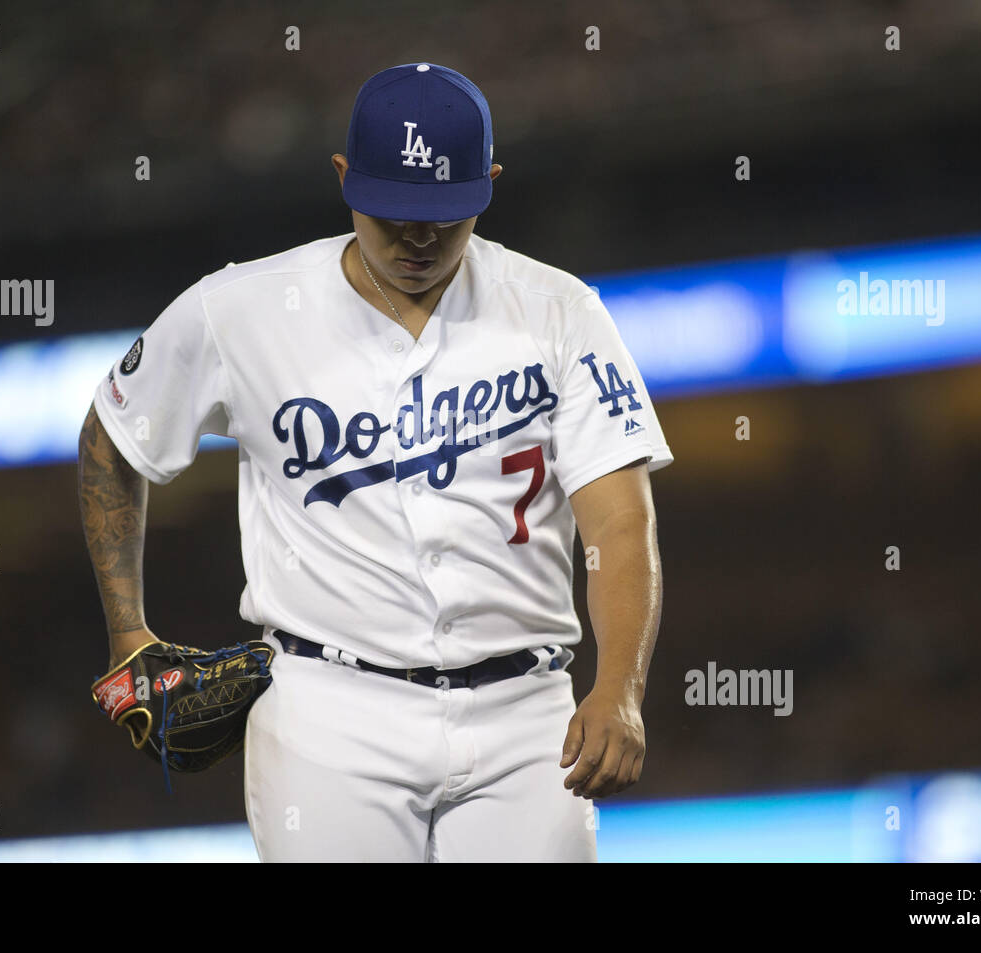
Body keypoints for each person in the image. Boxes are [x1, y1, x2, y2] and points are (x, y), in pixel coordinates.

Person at [78, 62, 673, 862]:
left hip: (527, 716)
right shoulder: (241, 310)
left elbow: (620, 517)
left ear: (489, 182)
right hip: (331, 714)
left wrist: (621, 689)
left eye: (443, 214)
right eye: (395, 214)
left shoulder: (561, 312)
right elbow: (115, 436)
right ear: (342, 178)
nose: (419, 238)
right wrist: (127, 633)